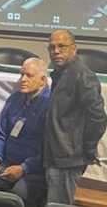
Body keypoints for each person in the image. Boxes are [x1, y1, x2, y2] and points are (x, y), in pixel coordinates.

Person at [0, 58, 50, 207]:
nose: (23, 79)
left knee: (18, 194)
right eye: (22, 75)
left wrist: (23, 168)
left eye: (29, 76)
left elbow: (48, 151)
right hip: (6, 163)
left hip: (33, 171)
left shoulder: (50, 106)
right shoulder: (15, 99)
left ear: (43, 80)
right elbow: (0, 133)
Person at [44, 30, 107, 205]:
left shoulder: (83, 76)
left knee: (59, 204)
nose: (56, 51)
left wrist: (84, 150)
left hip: (69, 158)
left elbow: (98, 119)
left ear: (74, 49)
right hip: (56, 154)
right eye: (52, 47)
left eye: (61, 46)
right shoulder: (59, 73)